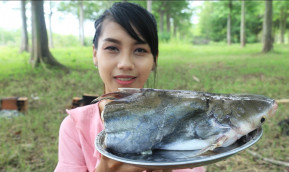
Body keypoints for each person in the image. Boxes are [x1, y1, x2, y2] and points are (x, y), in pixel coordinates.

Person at [55, 2, 205, 172]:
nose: (125, 64)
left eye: (140, 50)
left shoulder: (183, 124)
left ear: (154, 59)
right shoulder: (75, 127)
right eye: (112, 48)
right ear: (95, 54)